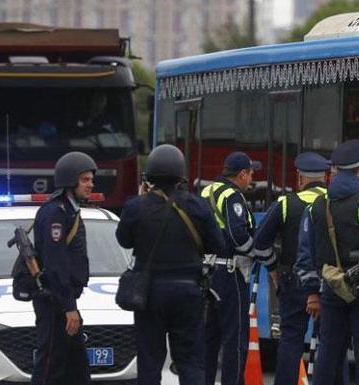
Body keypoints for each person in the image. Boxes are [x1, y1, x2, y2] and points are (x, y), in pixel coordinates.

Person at [116, 144, 226, 385]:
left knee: (150, 361)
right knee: (190, 361)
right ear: (181, 175)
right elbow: (219, 245)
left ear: (149, 177)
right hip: (188, 291)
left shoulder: (136, 207)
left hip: (148, 293)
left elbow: (123, 239)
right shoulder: (197, 206)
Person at [294, 139, 359, 385]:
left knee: (328, 351)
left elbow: (304, 252)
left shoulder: (316, 206)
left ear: (335, 171)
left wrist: (311, 292)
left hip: (330, 287)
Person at [253, 152, 329, 385]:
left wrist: (274, 269)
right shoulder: (335, 202)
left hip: (293, 282)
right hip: (330, 284)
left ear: (299, 178)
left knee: (291, 339)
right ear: (326, 177)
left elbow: (259, 243)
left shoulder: (285, 203)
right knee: (330, 340)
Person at [31, 151, 97, 385]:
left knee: (78, 368)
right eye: (85, 180)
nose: (90, 184)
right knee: (50, 367)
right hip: (55, 303)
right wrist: (68, 307)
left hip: (66, 301)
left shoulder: (69, 210)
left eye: (91, 179)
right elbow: (56, 264)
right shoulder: (55, 214)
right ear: (70, 181)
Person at [201, 151, 261, 385]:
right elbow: (238, 236)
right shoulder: (232, 196)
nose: (253, 177)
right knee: (235, 339)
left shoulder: (206, 191)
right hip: (230, 274)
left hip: (207, 273)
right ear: (241, 174)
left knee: (210, 338)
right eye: (251, 172)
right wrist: (257, 251)